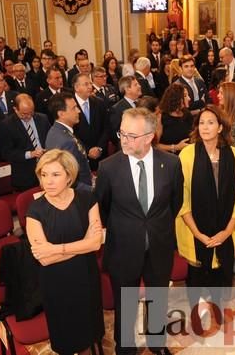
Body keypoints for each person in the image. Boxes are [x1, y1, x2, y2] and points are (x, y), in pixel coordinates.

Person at [95, 108, 184, 355]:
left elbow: (174, 203)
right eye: (122, 133)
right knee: (126, 303)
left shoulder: (172, 164)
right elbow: (102, 208)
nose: (123, 140)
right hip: (123, 249)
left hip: (159, 245)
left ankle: (157, 343)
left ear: (149, 136)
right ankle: (125, 347)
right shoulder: (108, 168)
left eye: (131, 135)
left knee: (157, 297)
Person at [26, 149, 104, 355]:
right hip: (56, 283)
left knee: (89, 331)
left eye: (55, 175)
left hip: (85, 276)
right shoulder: (35, 210)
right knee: (67, 336)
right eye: (44, 175)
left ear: (69, 176)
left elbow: (96, 244)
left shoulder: (87, 199)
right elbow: (44, 259)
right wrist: (83, 244)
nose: (48, 181)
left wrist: (55, 249)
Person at [176, 105, 235, 320]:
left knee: (222, 274)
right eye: (201, 122)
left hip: (225, 229)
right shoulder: (187, 154)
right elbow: (182, 198)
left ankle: (217, 310)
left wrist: (227, 231)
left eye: (210, 122)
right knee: (196, 277)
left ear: (220, 127)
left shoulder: (232, 153)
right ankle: (196, 313)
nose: (205, 127)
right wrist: (198, 234)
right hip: (194, 231)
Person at [0, 94, 50, 191]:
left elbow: (51, 140)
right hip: (25, 175)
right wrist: (30, 154)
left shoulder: (43, 118)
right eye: (24, 114)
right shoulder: (7, 125)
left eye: (31, 112)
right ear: (15, 109)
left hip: (47, 170)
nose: (29, 116)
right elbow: (6, 153)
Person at [45, 93, 93, 190]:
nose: (78, 111)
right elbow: (70, 179)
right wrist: (91, 190)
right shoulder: (66, 141)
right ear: (61, 114)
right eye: (74, 108)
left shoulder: (56, 130)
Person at [155, 82, 192, 154]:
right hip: (168, 158)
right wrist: (175, 147)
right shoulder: (161, 117)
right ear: (176, 99)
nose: (189, 98)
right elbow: (154, 146)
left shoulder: (187, 114)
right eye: (185, 96)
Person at [109, 75, 142, 145]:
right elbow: (114, 134)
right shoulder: (117, 109)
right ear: (127, 89)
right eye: (136, 85)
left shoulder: (142, 103)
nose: (139, 86)